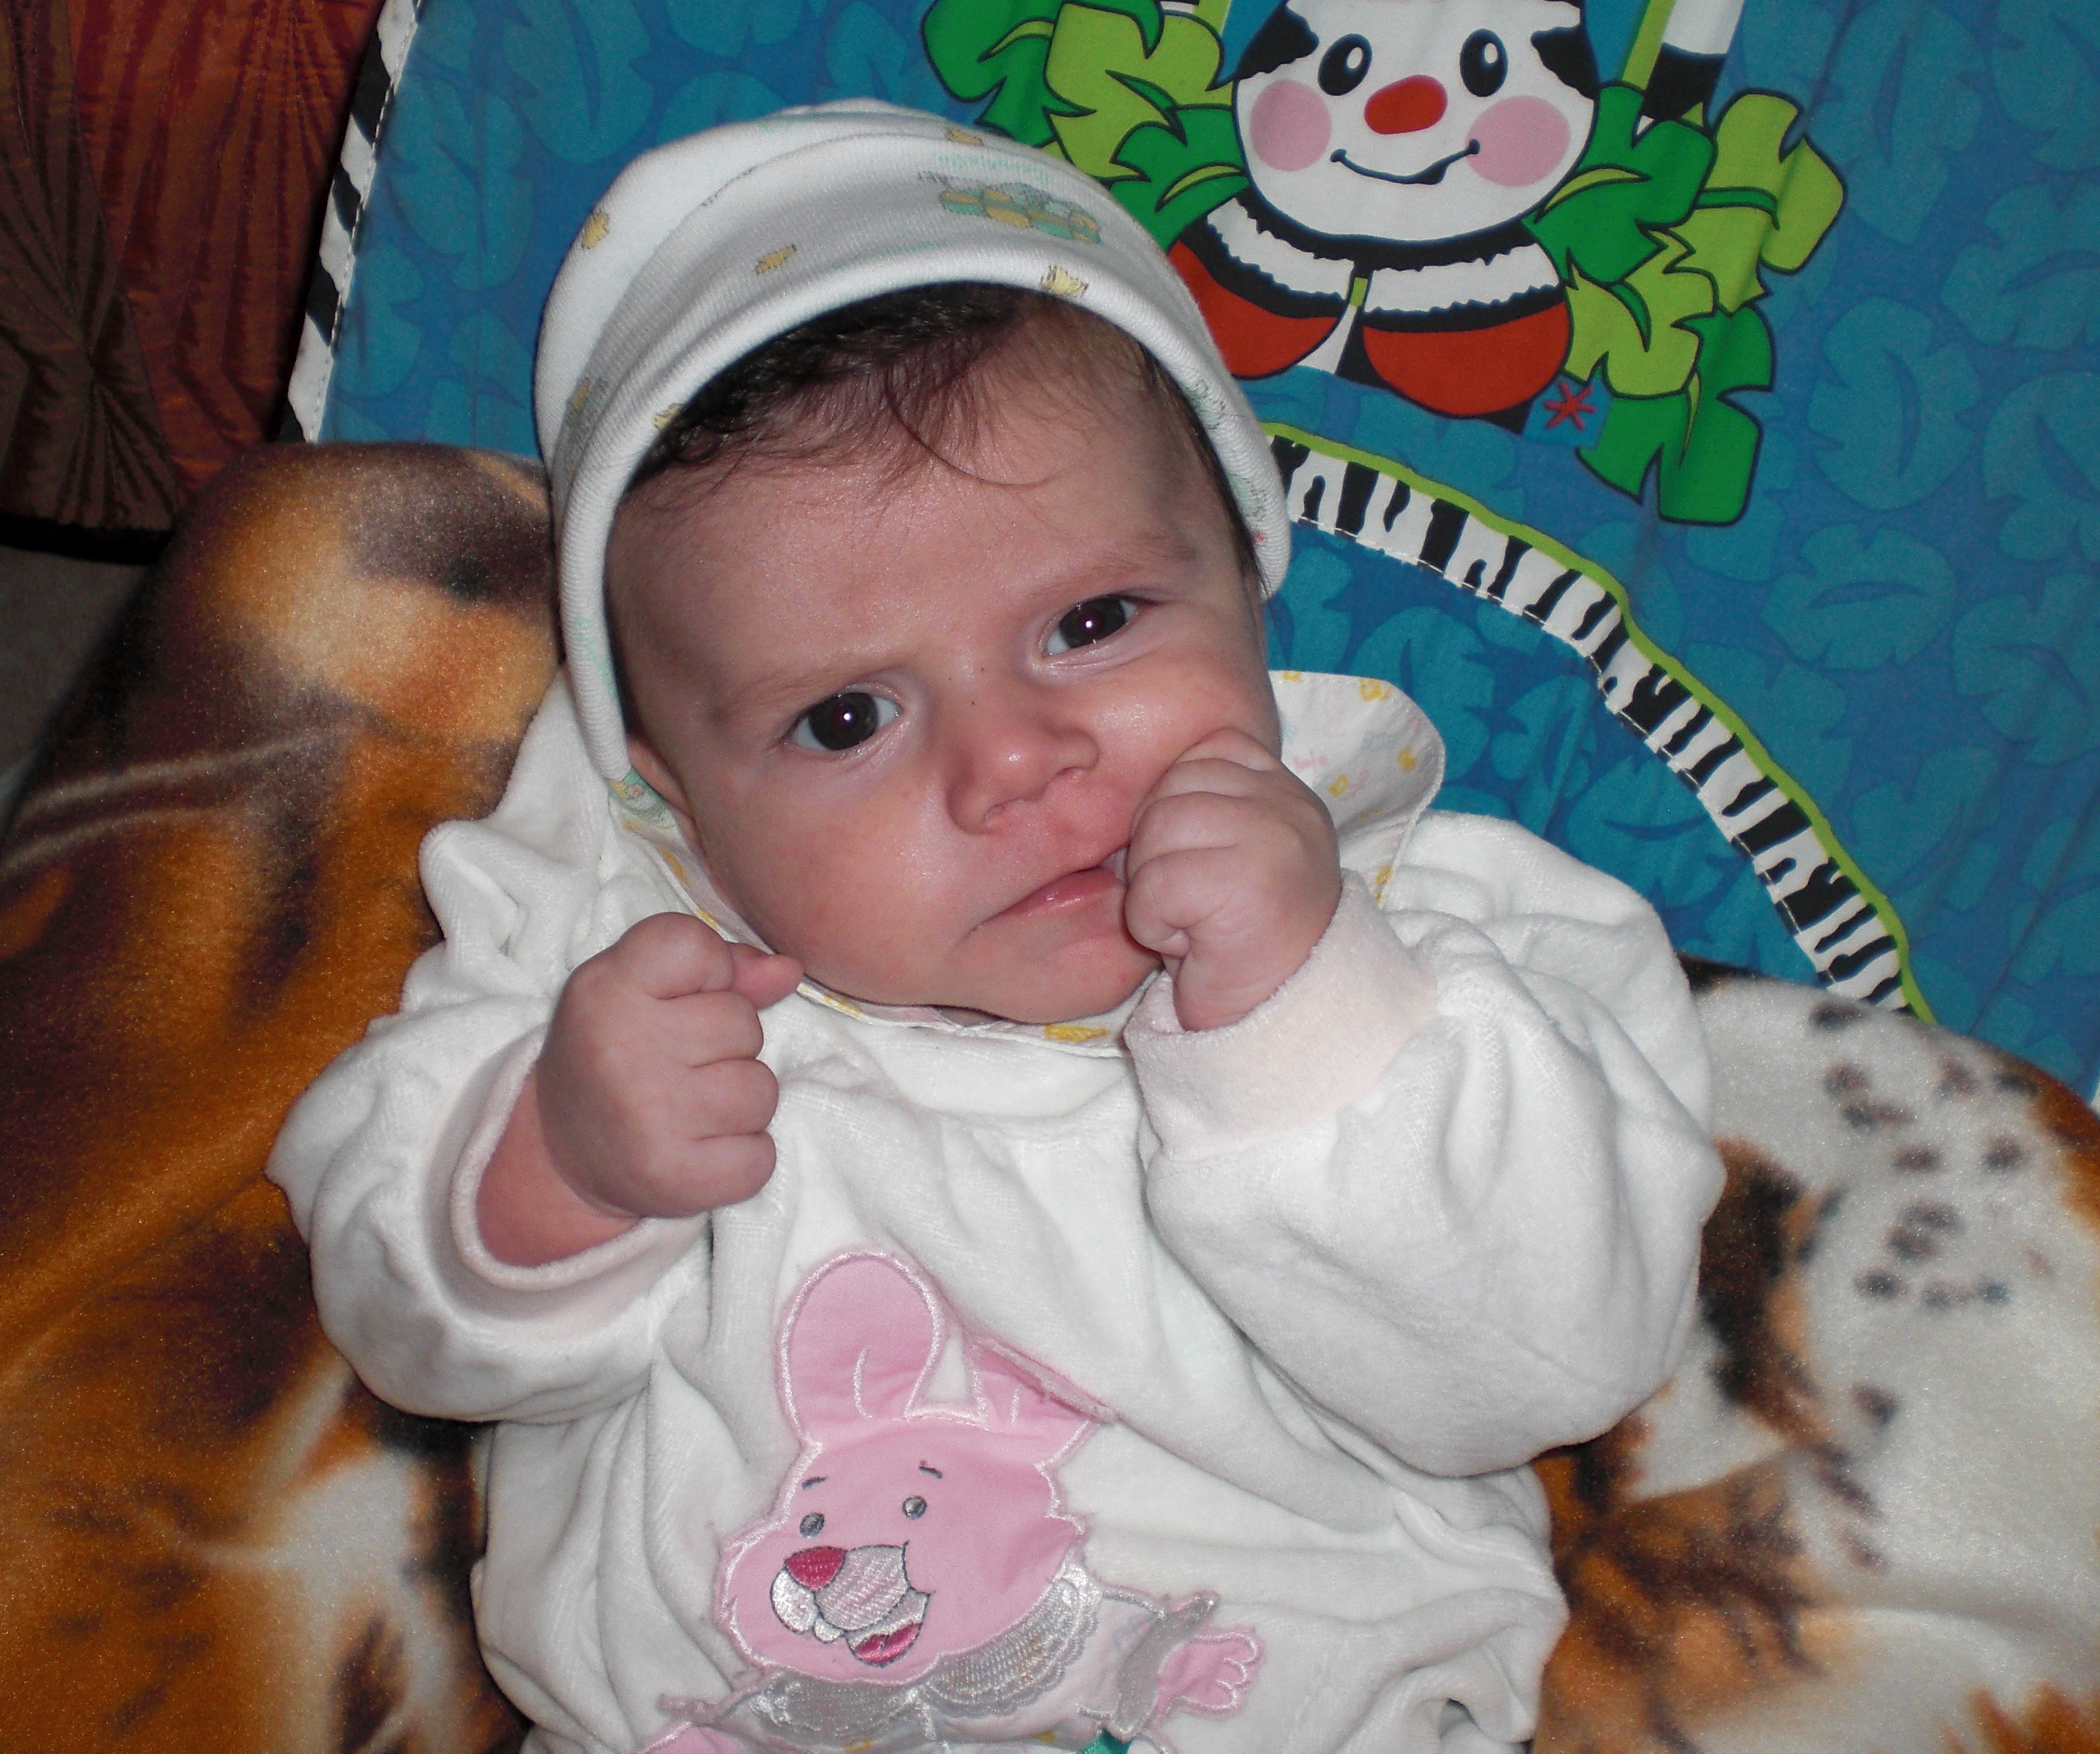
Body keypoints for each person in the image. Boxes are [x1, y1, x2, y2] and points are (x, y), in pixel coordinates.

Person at [271, 102, 1722, 1754]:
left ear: (1246, 577)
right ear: (676, 800)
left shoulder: (1455, 936)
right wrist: (564, 1171)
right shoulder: (619, 977)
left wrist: (1310, 1018)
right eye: (845, 720)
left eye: (1091, 623)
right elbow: (394, 1301)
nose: (1016, 761)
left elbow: (1559, 1363)